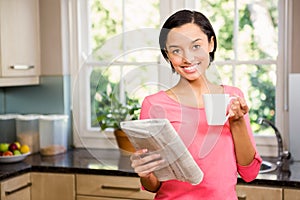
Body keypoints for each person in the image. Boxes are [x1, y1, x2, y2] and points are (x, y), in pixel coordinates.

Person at [130, 9, 262, 199]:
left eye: (195, 46)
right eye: (176, 50)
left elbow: (250, 174)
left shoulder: (232, 98)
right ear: (167, 55)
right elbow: (154, 186)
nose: (187, 58)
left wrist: (237, 121)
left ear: (211, 44)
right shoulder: (154, 104)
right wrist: (145, 172)